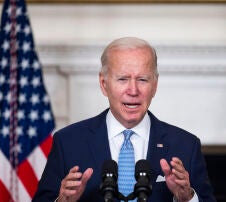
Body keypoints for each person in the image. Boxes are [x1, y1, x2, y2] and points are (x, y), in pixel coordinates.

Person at [33, 37, 216, 202]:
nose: (133, 90)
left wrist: (187, 198)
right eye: (123, 79)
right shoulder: (68, 142)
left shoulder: (185, 146)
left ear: (155, 85)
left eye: (143, 80)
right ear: (104, 84)